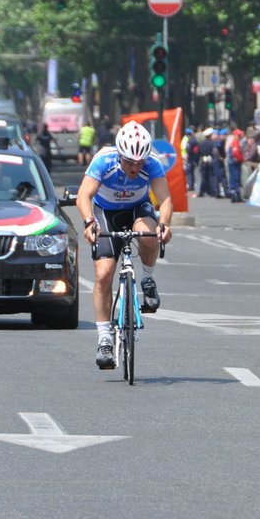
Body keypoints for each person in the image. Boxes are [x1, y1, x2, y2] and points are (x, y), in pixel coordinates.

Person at [76, 121, 174, 370]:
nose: (134, 167)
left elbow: (165, 200)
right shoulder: (103, 160)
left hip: (136, 209)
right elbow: (83, 196)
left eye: (139, 162)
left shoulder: (152, 163)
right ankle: (104, 338)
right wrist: (89, 224)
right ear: (120, 154)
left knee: (148, 233)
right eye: (129, 161)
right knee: (104, 274)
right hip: (105, 212)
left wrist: (164, 224)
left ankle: (148, 280)